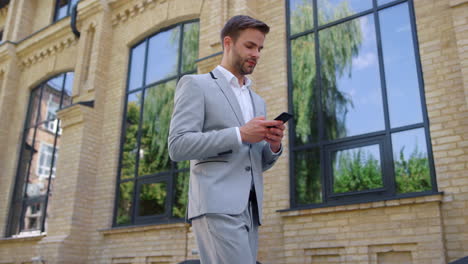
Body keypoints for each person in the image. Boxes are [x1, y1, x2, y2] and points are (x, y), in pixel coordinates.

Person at [168, 15, 285, 264]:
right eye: (250, 46)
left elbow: (254, 161)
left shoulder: (257, 100)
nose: (257, 54)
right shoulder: (195, 85)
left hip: (251, 210)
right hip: (216, 205)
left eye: (260, 48)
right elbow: (178, 145)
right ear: (228, 43)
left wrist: (273, 147)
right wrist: (240, 134)